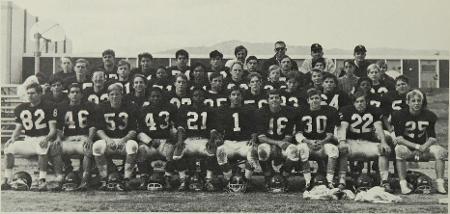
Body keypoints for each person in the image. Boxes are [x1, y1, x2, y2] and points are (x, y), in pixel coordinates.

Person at [2, 83, 58, 191]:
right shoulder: (21, 108)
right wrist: (12, 138)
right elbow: (18, 129)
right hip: (28, 139)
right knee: (9, 148)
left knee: (41, 148)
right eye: (28, 93)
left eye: (33, 93)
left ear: (40, 93)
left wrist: (46, 139)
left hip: (42, 138)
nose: (30, 95)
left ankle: (42, 180)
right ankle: (6, 179)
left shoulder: (48, 106)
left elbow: (53, 130)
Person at [392, 90, 447, 194]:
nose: (416, 103)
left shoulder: (429, 115)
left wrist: (424, 146)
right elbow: (399, 139)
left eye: (419, 100)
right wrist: (417, 146)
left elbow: (432, 137)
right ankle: (403, 184)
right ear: (407, 102)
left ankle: (440, 183)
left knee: (440, 151)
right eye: (413, 101)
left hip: (423, 148)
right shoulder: (399, 115)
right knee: (399, 150)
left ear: (422, 102)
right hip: (408, 147)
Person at [337, 90, 393, 192]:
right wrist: (342, 141)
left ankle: (384, 180)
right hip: (352, 142)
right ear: (353, 103)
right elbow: (343, 127)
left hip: (368, 143)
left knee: (383, 150)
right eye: (357, 102)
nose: (360, 104)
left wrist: (384, 142)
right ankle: (342, 180)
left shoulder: (374, 110)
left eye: (362, 101)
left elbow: (379, 127)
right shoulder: (346, 110)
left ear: (366, 102)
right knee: (342, 149)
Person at [255, 89, 308, 191]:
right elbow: (261, 138)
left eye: (276, 97)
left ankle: (284, 176)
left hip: (284, 142)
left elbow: (289, 134)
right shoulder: (261, 112)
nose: (274, 100)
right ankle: (268, 176)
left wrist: (282, 143)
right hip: (268, 143)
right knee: (262, 150)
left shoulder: (289, 112)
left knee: (294, 151)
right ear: (268, 100)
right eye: (271, 98)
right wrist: (277, 143)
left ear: (281, 99)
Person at [92, 83, 139, 191]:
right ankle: (103, 179)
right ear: (108, 96)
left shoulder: (130, 106)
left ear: (122, 95)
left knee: (132, 146)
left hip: (124, 140)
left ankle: (127, 179)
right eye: (112, 94)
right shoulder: (102, 107)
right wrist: (108, 140)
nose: (114, 97)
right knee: (97, 146)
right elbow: (99, 129)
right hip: (108, 141)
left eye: (117, 94)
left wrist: (124, 140)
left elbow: (134, 129)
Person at [172, 87, 219, 191]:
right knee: (177, 153)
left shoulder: (210, 110)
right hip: (189, 140)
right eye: (195, 95)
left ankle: (208, 180)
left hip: (203, 140)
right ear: (191, 97)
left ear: (204, 97)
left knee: (212, 151)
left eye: (201, 95)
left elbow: (213, 128)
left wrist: (211, 140)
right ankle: (183, 180)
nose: (198, 98)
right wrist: (180, 141)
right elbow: (180, 128)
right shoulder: (184, 109)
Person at [54, 83, 97, 190]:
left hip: (83, 137)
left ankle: (85, 180)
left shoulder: (89, 106)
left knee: (88, 147)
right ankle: (61, 178)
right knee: (55, 148)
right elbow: (59, 127)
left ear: (82, 95)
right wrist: (59, 138)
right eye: (72, 92)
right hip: (68, 138)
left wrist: (90, 138)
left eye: (77, 92)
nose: (75, 94)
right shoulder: (62, 107)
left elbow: (92, 126)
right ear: (68, 95)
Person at [295, 88, 339, 189]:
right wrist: (308, 141)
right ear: (308, 100)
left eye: (317, 98)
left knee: (333, 149)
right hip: (307, 144)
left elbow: (330, 134)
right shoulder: (301, 111)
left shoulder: (329, 111)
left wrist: (322, 142)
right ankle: (308, 181)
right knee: (301, 148)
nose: (315, 100)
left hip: (323, 144)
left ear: (321, 99)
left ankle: (329, 181)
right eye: (312, 98)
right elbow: (298, 134)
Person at [215, 87, 258, 190]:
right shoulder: (223, 110)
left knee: (253, 151)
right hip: (229, 143)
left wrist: (253, 139)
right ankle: (228, 179)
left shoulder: (249, 110)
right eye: (233, 94)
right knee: (220, 151)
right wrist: (218, 138)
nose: (236, 97)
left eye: (238, 95)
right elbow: (218, 129)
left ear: (242, 97)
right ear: (229, 97)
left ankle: (246, 180)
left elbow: (254, 128)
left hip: (244, 142)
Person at [136, 87, 178, 190]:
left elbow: (176, 126)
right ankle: (144, 178)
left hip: (165, 141)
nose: (155, 98)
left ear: (162, 97)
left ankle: (168, 178)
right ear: (149, 98)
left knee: (171, 150)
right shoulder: (144, 110)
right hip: (150, 142)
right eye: (153, 96)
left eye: (158, 96)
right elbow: (139, 131)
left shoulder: (170, 108)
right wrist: (149, 141)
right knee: (140, 150)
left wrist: (172, 136)